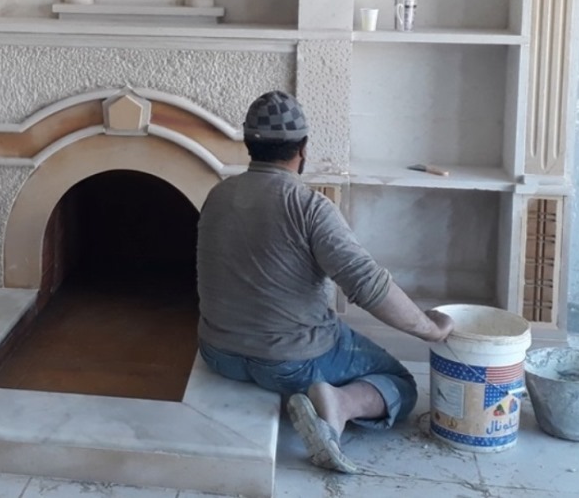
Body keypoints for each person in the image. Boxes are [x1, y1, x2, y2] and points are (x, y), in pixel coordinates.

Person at [195, 90, 455, 473]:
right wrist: (429, 329)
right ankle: (339, 404)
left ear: (248, 144)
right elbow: (367, 284)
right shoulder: (309, 207)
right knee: (400, 382)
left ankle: (305, 396)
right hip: (291, 361)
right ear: (303, 149)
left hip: (218, 353)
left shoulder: (217, 195)